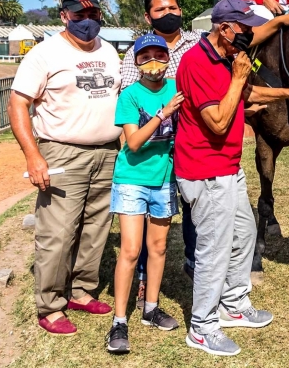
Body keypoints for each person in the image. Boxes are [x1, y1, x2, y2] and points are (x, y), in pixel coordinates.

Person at [120, 0, 289, 304]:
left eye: (173, 7)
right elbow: (134, 106)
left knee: (207, 226)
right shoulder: (169, 55)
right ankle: (156, 287)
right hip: (166, 147)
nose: (169, 13)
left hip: (201, 145)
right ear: (148, 16)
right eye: (160, 10)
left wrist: (284, 20)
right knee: (164, 227)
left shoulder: (212, 47)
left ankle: (205, 277)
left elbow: (254, 44)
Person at [175, 0, 289, 356]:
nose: (251, 34)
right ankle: (202, 326)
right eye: (246, 28)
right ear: (224, 28)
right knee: (215, 251)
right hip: (205, 171)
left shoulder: (226, 57)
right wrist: (240, 76)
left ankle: (233, 305)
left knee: (244, 233)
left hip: (228, 167)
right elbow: (219, 120)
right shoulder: (196, 63)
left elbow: (245, 92)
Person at [8, 0, 121, 335]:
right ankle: (50, 305)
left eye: (92, 15)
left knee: (96, 227)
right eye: (78, 16)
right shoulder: (44, 54)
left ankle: (82, 291)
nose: (87, 22)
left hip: (107, 151)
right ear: (64, 16)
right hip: (62, 151)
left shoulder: (111, 51)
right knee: (57, 231)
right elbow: (18, 104)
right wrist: (33, 155)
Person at [106, 34, 185, 354]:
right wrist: (163, 114)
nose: (153, 62)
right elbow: (133, 144)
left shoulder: (176, 88)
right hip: (131, 180)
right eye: (145, 56)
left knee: (159, 246)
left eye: (159, 54)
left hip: (164, 180)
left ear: (168, 58)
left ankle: (151, 308)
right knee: (130, 249)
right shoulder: (129, 96)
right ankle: (119, 321)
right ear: (136, 62)